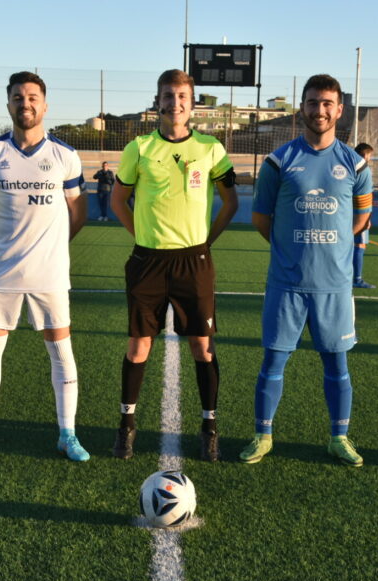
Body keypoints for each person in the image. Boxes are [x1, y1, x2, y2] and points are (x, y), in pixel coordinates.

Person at [0, 71, 90, 462]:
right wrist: (5, 244)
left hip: (50, 272)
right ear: (8, 104)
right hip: (2, 271)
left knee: (61, 351)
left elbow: (77, 212)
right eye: (18, 97)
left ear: (44, 105)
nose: (25, 103)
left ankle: (68, 435)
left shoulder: (64, 155)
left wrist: (52, 249)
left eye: (32, 97)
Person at [239, 74, 373, 467]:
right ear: (302, 108)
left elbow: (361, 217)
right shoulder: (279, 161)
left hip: (334, 285)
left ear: (340, 110)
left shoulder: (356, 163)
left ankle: (339, 437)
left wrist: (332, 247)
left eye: (328, 103)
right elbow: (261, 218)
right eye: (313, 102)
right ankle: (263, 435)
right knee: (273, 362)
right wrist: (292, 249)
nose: (320, 110)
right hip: (287, 283)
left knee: (337, 365)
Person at [110, 69, 238, 462]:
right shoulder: (139, 148)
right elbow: (118, 201)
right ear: (158, 102)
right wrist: (141, 236)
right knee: (138, 346)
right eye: (168, 95)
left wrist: (206, 242)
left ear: (192, 103)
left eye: (182, 96)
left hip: (193, 261)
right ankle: (127, 426)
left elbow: (230, 202)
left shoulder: (211, 148)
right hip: (147, 261)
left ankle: (210, 428)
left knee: (202, 346)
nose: (175, 103)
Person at [352, 143, 376, 289]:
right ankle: (357, 279)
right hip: (358, 214)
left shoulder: (349, 167)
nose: (370, 158)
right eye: (370, 155)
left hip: (349, 213)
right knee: (359, 244)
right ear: (365, 155)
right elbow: (365, 198)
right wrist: (366, 219)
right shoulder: (363, 170)